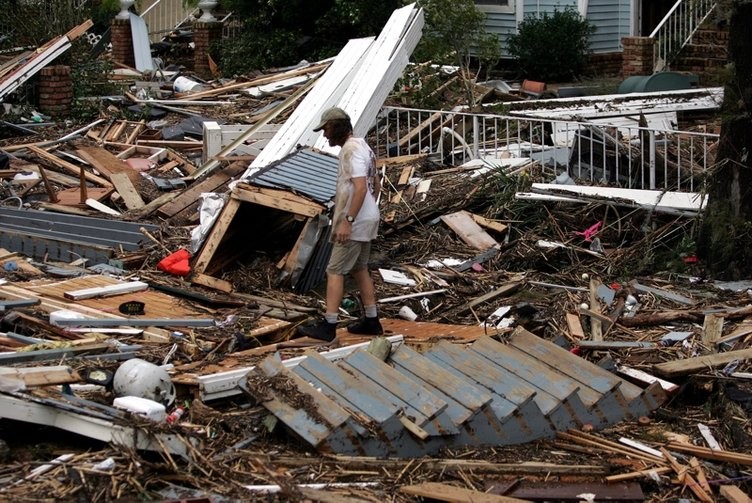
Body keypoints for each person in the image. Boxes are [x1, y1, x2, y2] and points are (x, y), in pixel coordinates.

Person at [297, 107, 383, 342]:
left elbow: (361, 187)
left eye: (326, 129)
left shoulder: (351, 150)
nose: (324, 135)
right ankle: (372, 320)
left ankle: (328, 325)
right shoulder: (363, 145)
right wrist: (367, 211)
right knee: (359, 267)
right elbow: (376, 183)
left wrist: (349, 220)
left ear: (337, 127)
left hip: (354, 221)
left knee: (334, 270)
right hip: (368, 216)